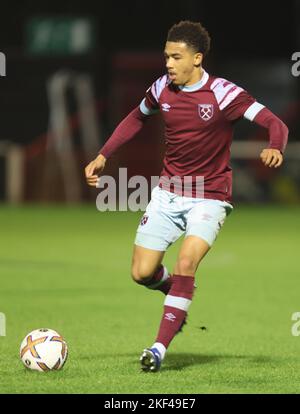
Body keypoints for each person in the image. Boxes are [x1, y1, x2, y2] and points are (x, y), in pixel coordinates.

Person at [85, 21, 288, 372]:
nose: (168, 63)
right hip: (168, 193)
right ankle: (176, 293)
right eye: (166, 56)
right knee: (141, 273)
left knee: (186, 263)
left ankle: (159, 348)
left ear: (197, 59)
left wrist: (275, 147)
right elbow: (136, 118)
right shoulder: (162, 88)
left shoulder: (225, 94)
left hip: (209, 196)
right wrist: (104, 154)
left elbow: (275, 123)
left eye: (175, 57)